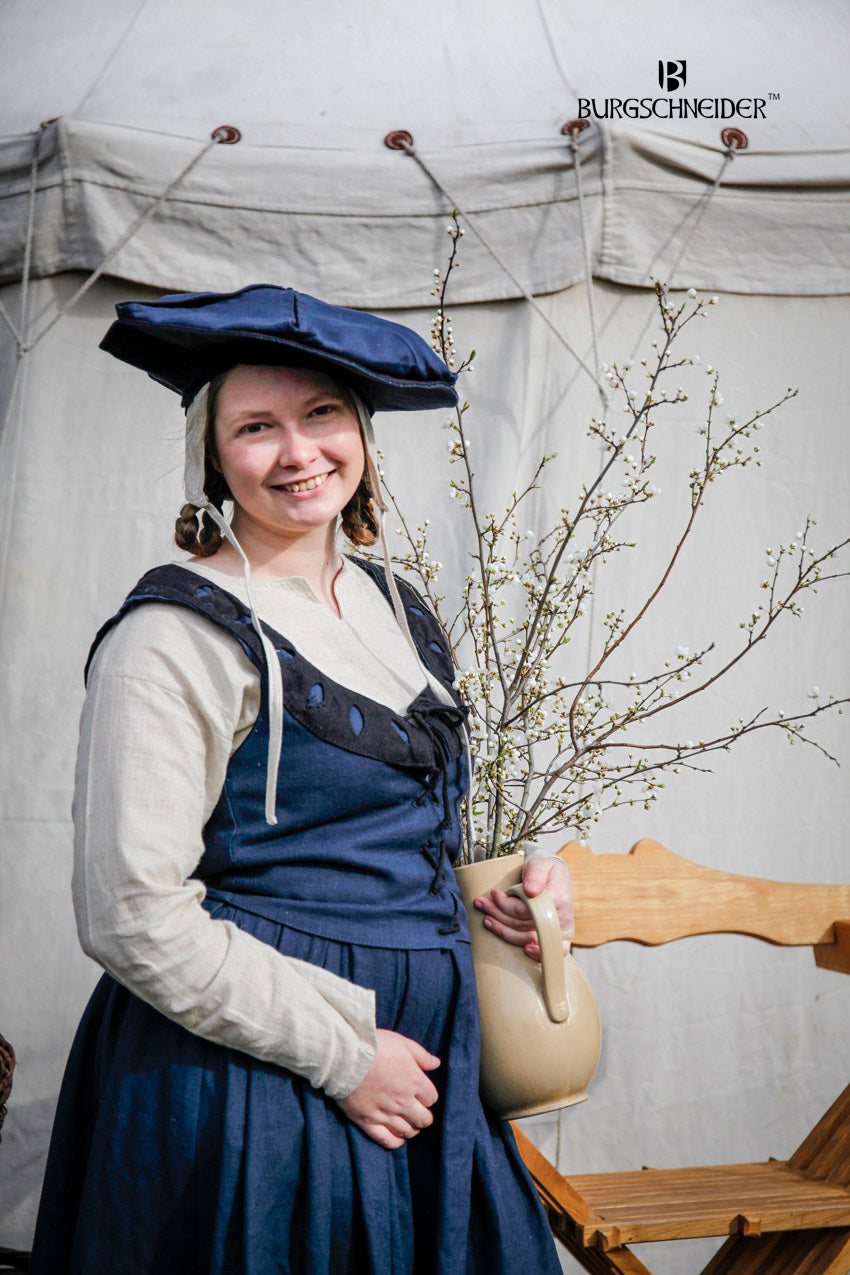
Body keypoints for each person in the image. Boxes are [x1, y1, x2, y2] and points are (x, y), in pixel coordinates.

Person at [29, 285, 574, 1274]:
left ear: (361, 431)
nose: (297, 452)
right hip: (260, 1076)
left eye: (322, 414)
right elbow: (129, 916)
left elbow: (395, 830)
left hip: (427, 1065)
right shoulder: (171, 637)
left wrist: (505, 897)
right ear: (211, 454)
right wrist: (343, 1056)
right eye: (256, 427)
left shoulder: (394, 605)